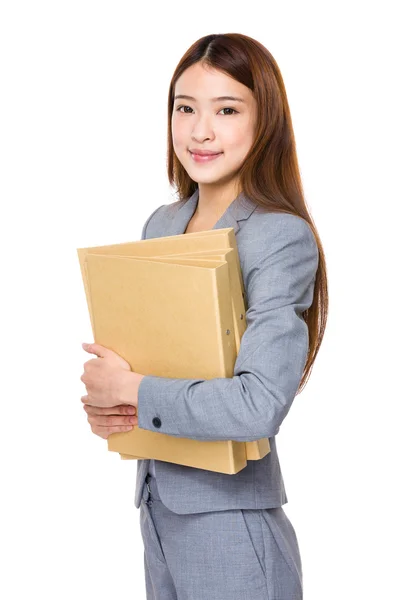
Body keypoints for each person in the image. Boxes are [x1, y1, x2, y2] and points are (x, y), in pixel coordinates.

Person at [80, 32, 328, 600]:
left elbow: (259, 404)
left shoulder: (278, 237)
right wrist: (111, 407)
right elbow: (152, 369)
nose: (200, 131)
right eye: (185, 108)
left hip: (232, 523)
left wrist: (136, 391)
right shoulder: (162, 224)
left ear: (264, 121)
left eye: (227, 109)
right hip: (159, 511)